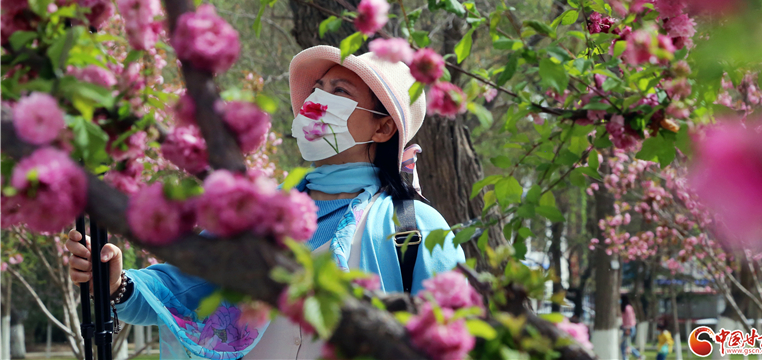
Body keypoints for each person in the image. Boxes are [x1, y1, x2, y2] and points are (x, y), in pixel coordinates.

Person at [67, 46, 465, 359]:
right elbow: (182, 288)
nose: (316, 102)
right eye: (317, 90)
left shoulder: (415, 228)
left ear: (382, 127)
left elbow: (454, 337)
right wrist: (116, 285)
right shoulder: (257, 213)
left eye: (340, 93)